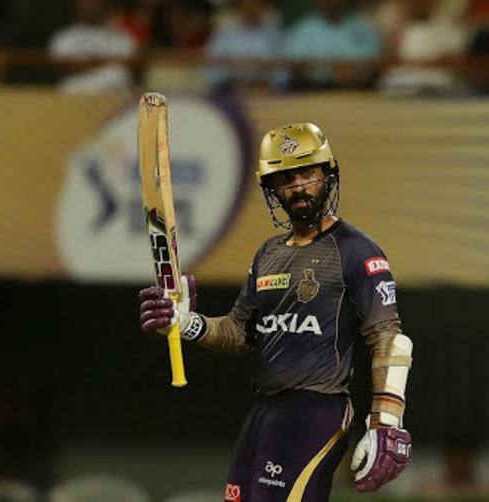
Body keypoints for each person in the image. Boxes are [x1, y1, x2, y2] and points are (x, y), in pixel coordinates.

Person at [139, 123, 413, 501]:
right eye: (285, 179)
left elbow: (389, 337)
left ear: (328, 175)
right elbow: (240, 333)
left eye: (307, 174)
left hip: (316, 413)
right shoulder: (268, 254)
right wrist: (186, 323)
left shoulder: (355, 250)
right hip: (265, 413)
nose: (298, 187)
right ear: (271, 188)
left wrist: (386, 420)